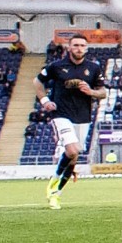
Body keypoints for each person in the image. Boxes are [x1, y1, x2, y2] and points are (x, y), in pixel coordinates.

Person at [35, 34, 106, 209]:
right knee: (72, 149)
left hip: (83, 116)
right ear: (69, 47)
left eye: (82, 45)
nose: (79, 48)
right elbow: (37, 81)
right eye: (75, 45)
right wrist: (44, 101)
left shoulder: (93, 68)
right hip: (61, 114)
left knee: (73, 157)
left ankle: (56, 194)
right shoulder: (56, 67)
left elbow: (103, 92)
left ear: (86, 48)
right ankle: (54, 180)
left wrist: (91, 92)